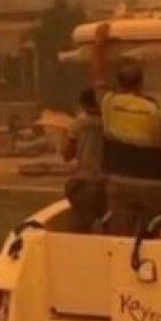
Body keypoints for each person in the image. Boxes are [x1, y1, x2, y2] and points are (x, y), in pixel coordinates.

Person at [90, 22, 161, 235]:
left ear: (119, 83)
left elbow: (96, 74)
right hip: (153, 183)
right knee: (152, 232)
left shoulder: (109, 102)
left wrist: (99, 42)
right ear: (141, 84)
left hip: (120, 181)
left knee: (119, 233)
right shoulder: (154, 109)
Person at [62, 89, 106, 233]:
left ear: (83, 104)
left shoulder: (79, 124)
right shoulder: (109, 123)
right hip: (108, 181)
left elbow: (67, 155)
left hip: (85, 181)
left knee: (80, 221)